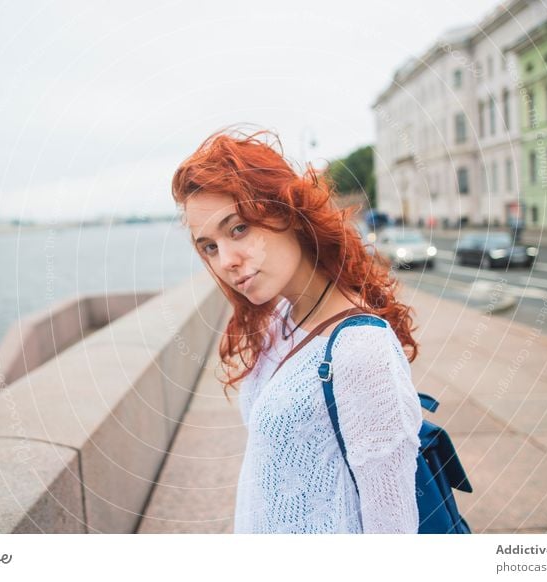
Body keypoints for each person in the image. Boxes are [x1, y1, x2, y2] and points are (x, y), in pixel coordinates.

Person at [171, 127, 423, 534]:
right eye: (209, 247)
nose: (226, 261)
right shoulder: (280, 318)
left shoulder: (361, 350)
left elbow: (392, 530)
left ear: (288, 213)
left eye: (238, 229)